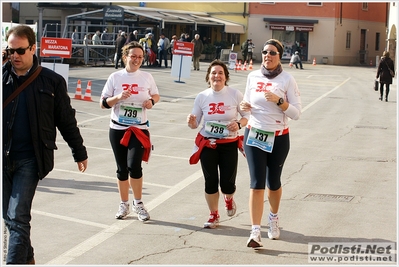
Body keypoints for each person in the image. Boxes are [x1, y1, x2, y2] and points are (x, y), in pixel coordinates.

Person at [2, 24, 88, 264]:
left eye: (20, 51)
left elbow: (66, 119)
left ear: (33, 48)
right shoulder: (2, 76)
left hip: (31, 158)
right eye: (10, 51)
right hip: (2, 158)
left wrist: (78, 152)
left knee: (17, 216)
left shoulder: (52, 81)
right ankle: (27, 258)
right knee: (9, 218)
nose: (15, 57)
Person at [240, 39, 301, 248]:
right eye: (264, 51)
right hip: (254, 134)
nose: (267, 55)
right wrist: (243, 106)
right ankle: (255, 231)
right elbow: (246, 106)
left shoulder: (287, 80)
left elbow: (296, 113)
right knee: (256, 183)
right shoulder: (252, 76)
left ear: (280, 55)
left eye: (272, 52)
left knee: (273, 182)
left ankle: (273, 218)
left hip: (278, 137)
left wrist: (279, 101)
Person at [100, 41, 160, 222]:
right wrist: (118, 97)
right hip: (118, 128)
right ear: (125, 56)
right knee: (121, 169)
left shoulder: (147, 77)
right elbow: (103, 103)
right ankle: (124, 203)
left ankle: (138, 203)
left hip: (139, 129)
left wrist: (152, 101)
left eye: (140, 57)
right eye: (133, 56)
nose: (137, 60)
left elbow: (156, 95)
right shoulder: (115, 77)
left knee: (134, 165)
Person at [187, 60, 250, 229]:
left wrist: (238, 124)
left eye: (220, 73)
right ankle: (213, 214)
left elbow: (247, 116)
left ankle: (228, 198)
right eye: (213, 73)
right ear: (208, 77)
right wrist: (191, 121)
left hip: (229, 143)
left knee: (227, 184)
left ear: (225, 77)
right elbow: (195, 123)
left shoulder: (235, 94)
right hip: (208, 143)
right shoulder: (202, 97)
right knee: (210, 181)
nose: (217, 76)